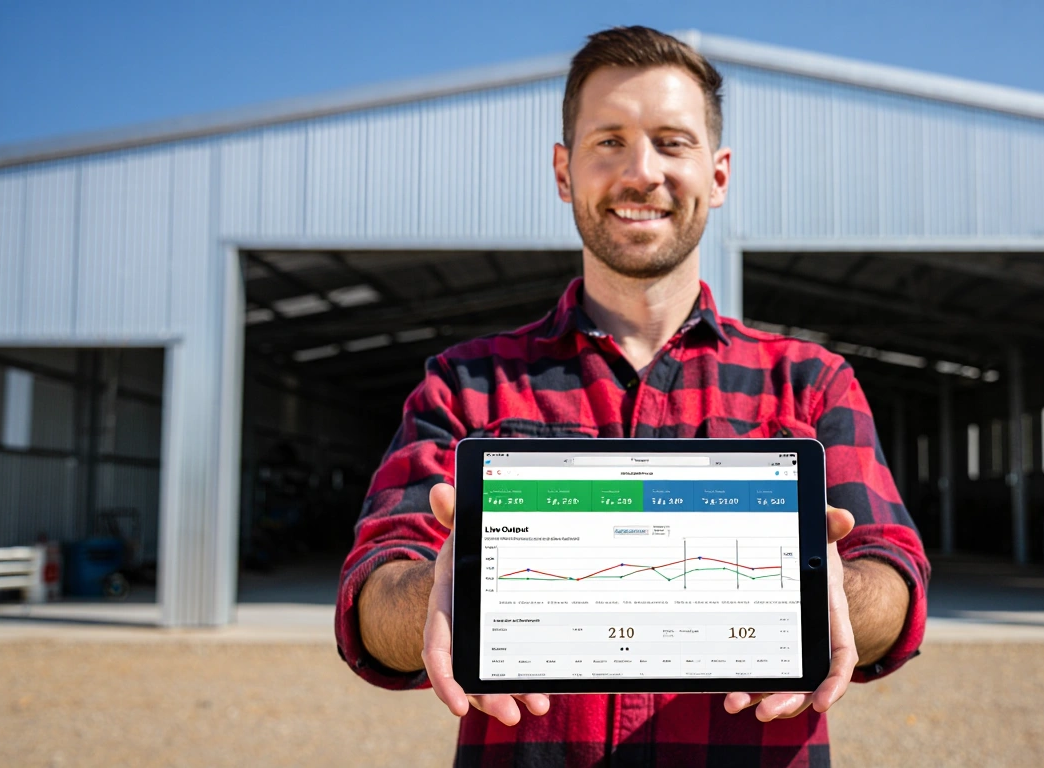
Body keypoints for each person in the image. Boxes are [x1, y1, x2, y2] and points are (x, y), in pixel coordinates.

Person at [336, 26, 930, 768]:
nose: (640, 173)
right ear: (563, 171)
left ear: (718, 174)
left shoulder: (811, 381)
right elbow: (370, 598)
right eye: (608, 141)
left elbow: (896, 578)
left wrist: (827, 588)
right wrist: (445, 586)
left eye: (672, 142)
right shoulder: (465, 383)